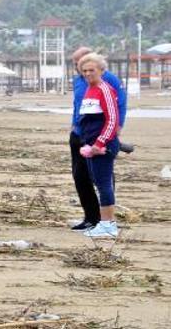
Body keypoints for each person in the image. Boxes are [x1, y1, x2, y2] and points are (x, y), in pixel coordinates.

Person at [69, 47, 127, 232]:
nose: (84, 71)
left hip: (101, 141)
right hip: (82, 137)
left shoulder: (105, 83)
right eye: (80, 67)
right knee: (82, 177)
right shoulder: (83, 83)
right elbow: (79, 107)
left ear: (99, 68)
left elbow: (115, 111)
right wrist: (74, 127)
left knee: (103, 182)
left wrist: (104, 140)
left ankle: (106, 223)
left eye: (88, 68)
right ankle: (92, 218)